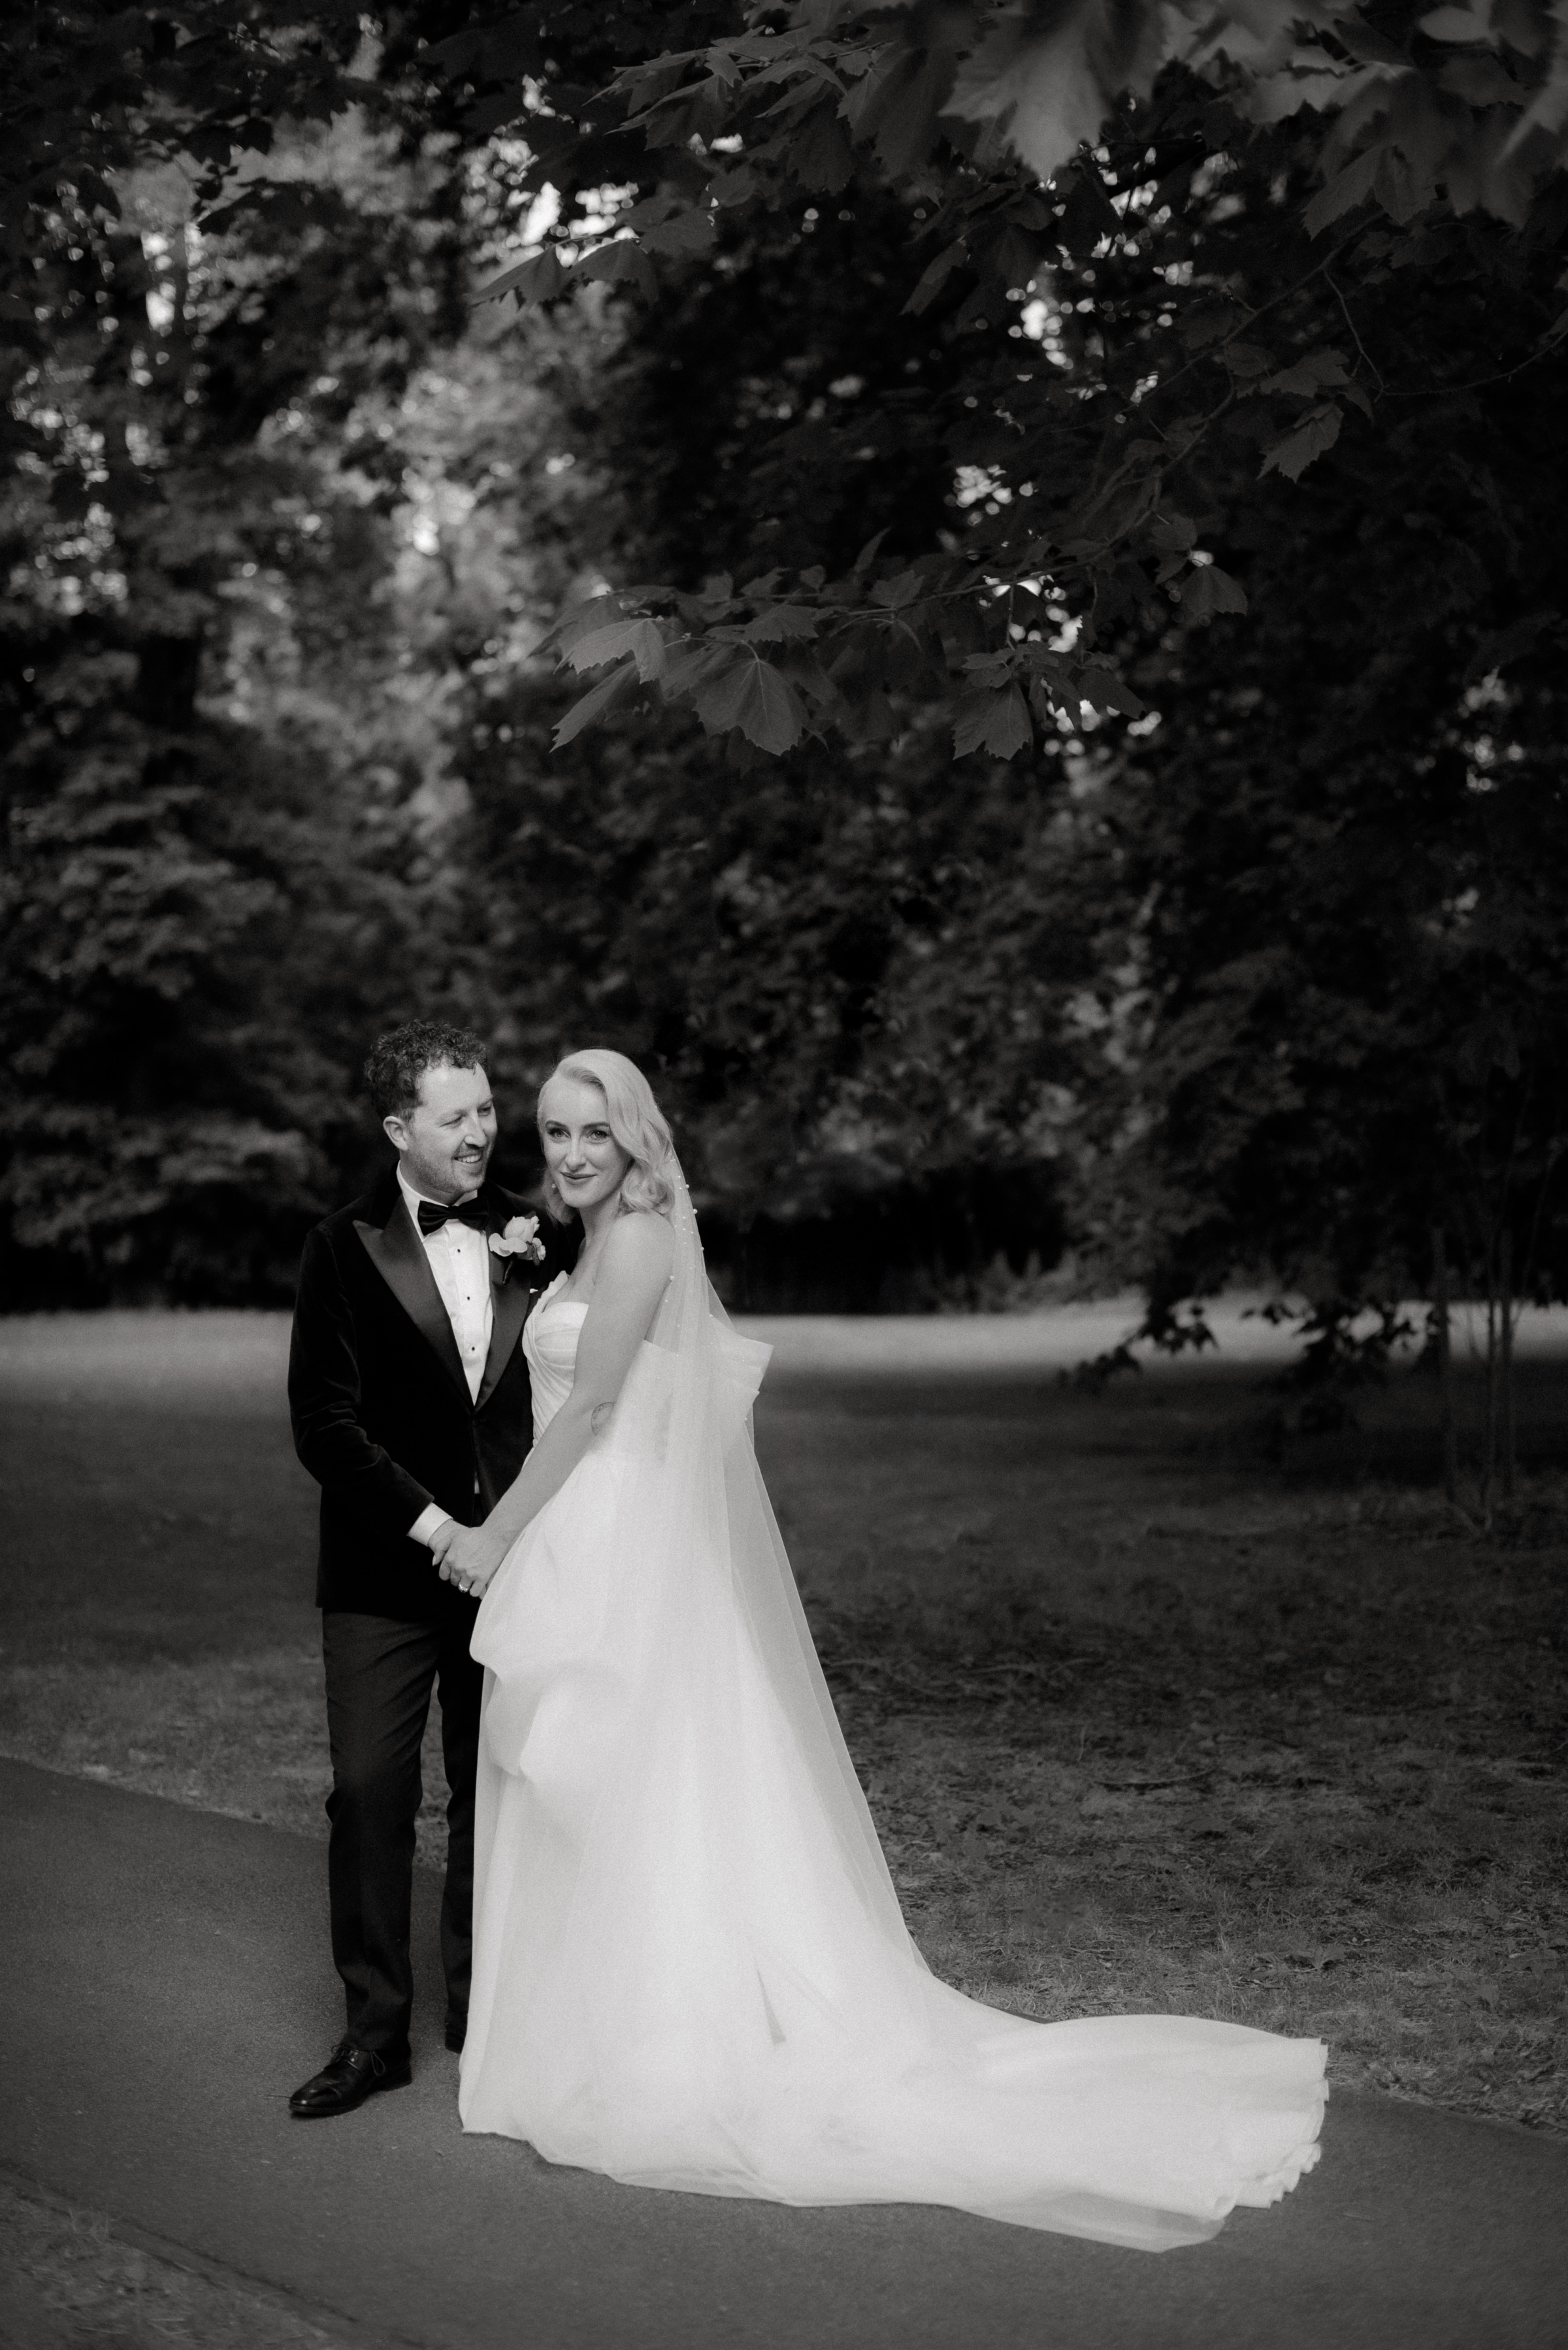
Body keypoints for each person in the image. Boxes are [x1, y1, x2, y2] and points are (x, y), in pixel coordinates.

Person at [442, 1048, 1328, 2249]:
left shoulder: (642, 1239)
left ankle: (657, 2044)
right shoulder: (588, 1241)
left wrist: (497, 1535)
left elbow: (594, 1409)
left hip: (611, 1536)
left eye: (595, 1131)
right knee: (588, 1784)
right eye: (554, 1133)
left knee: (628, 1780)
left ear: (638, 1137)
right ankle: (585, 2026)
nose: (573, 1153)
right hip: (591, 1530)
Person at [285, 1021, 572, 2119]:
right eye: (455, 1116)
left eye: (487, 1111)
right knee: (369, 1792)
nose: (480, 1133)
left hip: (516, 1570)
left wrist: (501, 1537)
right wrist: (435, 1530)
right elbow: (326, 1425)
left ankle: (489, 2017)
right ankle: (373, 2038)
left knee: (496, 1795)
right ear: (400, 1127)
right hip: (382, 1575)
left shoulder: (536, 1236)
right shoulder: (339, 1246)